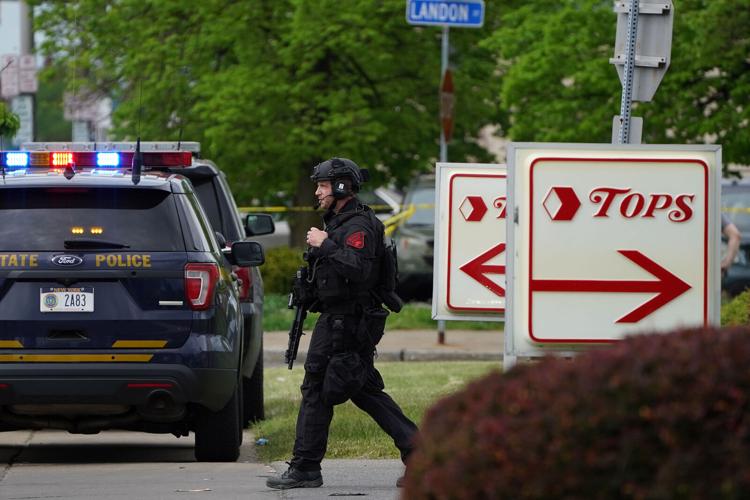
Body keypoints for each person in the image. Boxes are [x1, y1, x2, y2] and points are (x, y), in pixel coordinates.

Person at [266, 158, 417, 490]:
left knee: (318, 388)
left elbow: (359, 270)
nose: (317, 192)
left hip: (348, 321)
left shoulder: (357, 227)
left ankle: (306, 467)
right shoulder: (339, 223)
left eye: (322, 185)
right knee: (362, 389)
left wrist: (326, 244)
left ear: (340, 187)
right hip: (341, 318)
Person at [722, 212, 741, 277]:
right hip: (708, 269)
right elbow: (735, 235)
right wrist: (725, 264)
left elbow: (735, 235)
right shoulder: (712, 210)